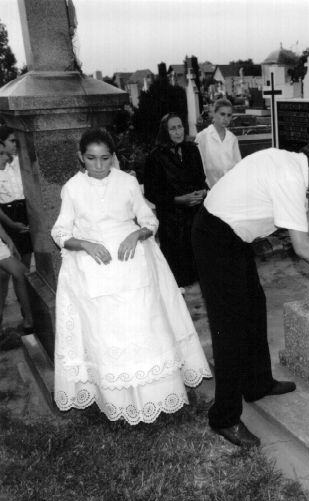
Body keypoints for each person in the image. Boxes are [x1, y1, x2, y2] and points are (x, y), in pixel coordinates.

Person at [191, 140, 309, 447]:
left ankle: (257, 383)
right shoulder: (290, 176)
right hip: (215, 238)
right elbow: (303, 247)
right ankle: (224, 418)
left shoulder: (291, 166)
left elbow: (306, 219)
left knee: (254, 308)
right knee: (230, 328)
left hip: (232, 237)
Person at [51, 127, 212, 425]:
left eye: (105, 158)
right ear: (81, 157)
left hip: (133, 260)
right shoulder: (72, 188)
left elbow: (149, 220)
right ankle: (119, 399)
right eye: (91, 159)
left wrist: (136, 234)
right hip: (95, 265)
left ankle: (156, 394)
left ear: (113, 157)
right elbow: (60, 232)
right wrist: (85, 244)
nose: (99, 165)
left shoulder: (127, 182)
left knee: (143, 323)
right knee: (109, 329)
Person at [144, 113, 207, 288]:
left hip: (194, 215)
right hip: (172, 220)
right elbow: (151, 192)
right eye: (173, 128)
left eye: (180, 127)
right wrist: (178, 200)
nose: (178, 132)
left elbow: (201, 179)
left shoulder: (192, 150)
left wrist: (202, 193)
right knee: (178, 272)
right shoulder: (155, 157)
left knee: (199, 267)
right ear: (165, 131)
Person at [0, 127, 33, 330]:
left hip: (22, 211)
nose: (15, 145)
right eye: (12, 141)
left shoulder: (17, 162)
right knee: (9, 271)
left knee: (24, 263)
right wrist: (11, 225)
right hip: (7, 216)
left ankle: (27, 310)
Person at [195, 98, 242, 187]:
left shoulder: (232, 138)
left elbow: (238, 165)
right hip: (210, 187)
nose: (225, 119)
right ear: (214, 113)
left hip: (230, 186)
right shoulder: (202, 136)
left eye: (229, 115)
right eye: (222, 114)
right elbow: (198, 166)